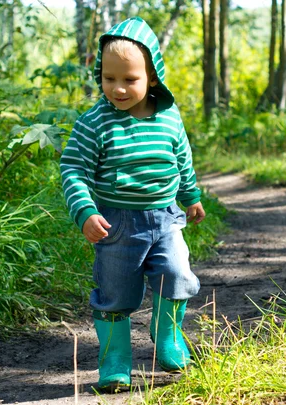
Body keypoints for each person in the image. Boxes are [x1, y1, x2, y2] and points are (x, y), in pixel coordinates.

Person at [60, 17, 205, 393]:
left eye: (130, 79)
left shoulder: (169, 117)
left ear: (152, 77)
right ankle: (115, 359)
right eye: (109, 78)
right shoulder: (96, 122)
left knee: (176, 274)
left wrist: (191, 197)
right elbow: (73, 168)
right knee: (115, 293)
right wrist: (86, 211)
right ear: (100, 75)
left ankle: (167, 335)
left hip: (166, 218)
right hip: (116, 224)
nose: (118, 88)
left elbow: (182, 160)